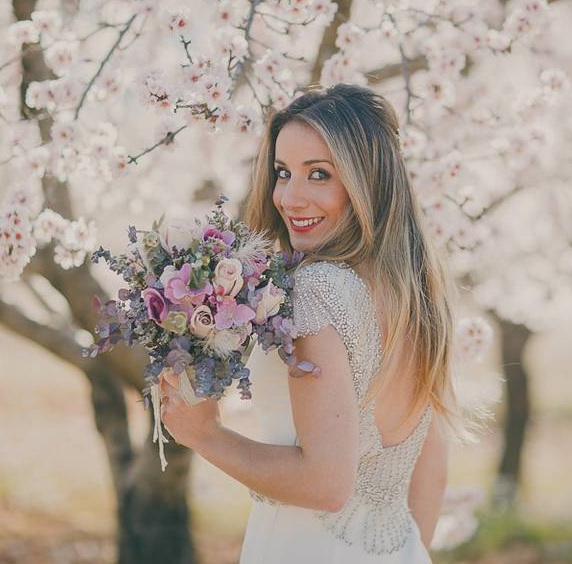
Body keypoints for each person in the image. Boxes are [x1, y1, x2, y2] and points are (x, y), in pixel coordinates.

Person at [159, 84, 469, 562]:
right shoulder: (419, 297)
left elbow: (325, 485)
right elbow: (430, 471)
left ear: (367, 183)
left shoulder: (316, 290)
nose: (290, 197)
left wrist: (205, 434)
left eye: (319, 174)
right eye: (283, 173)